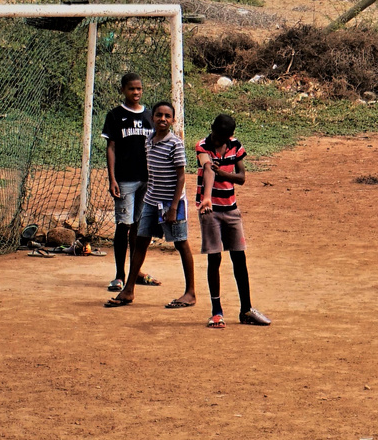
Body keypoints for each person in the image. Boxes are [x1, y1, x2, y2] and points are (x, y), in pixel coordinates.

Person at [105, 101, 197, 309]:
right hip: (151, 201)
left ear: (172, 120)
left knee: (181, 243)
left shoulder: (176, 143)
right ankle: (128, 289)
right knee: (140, 240)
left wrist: (173, 206)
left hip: (171, 202)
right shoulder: (149, 141)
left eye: (167, 116)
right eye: (158, 115)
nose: (163, 119)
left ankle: (190, 292)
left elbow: (181, 177)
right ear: (152, 118)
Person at [195, 114, 272, 329]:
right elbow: (208, 169)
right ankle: (216, 312)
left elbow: (242, 177)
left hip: (231, 210)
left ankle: (246, 309)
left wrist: (223, 174)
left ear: (231, 136)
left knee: (239, 259)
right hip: (209, 211)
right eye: (217, 136)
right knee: (214, 259)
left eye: (224, 138)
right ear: (211, 130)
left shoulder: (235, 145)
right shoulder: (202, 146)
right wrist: (207, 197)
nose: (220, 142)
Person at [99, 73, 159, 293]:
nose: (136, 92)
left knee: (139, 227)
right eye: (132, 89)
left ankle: (136, 272)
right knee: (123, 225)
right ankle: (119, 275)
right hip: (125, 180)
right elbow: (111, 148)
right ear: (123, 90)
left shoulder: (150, 115)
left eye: (139, 89)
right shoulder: (115, 115)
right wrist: (112, 178)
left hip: (147, 179)